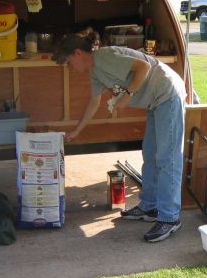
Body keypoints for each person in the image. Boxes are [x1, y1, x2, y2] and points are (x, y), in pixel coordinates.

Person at [52, 29, 186, 242]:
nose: (70, 68)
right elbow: (94, 102)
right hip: (155, 101)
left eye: (69, 62)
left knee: (167, 158)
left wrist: (127, 96)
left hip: (168, 94)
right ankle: (149, 207)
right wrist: (77, 130)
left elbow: (144, 66)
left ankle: (170, 218)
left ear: (78, 53)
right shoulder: (95, 71)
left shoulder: (104, 57)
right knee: (151, 154)